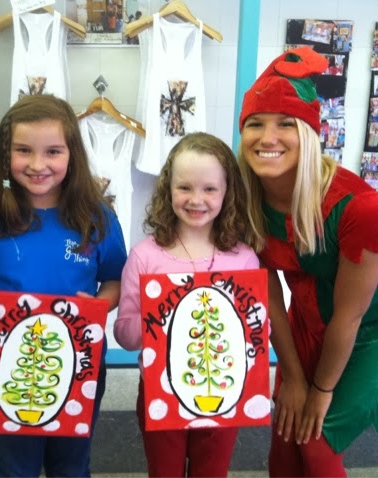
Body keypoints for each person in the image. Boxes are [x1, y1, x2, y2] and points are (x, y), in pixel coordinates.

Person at [237, 46, 378, 477]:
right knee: (286, 441)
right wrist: (293, 378)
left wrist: (319, 390)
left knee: (316, 438)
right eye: (255, 123)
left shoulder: (358, 206)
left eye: (286, 123)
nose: (267, 138)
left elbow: (350, 317)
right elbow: (268, 298)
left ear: (308, 133)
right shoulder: (245, 197)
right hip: (308, 312)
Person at [0, 94, 127, 478]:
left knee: (71, 465)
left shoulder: (97, 217)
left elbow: (115, 279)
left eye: (53, 151)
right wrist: (1, 317)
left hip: (79, 362)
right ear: (6, 155)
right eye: (23, 150)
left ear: (72, 155)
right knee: (15, 467)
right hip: (8, 363)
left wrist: (98, 304)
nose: (38, 164)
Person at [114, 132, 261, 477]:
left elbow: (256, 333)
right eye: (184, 187)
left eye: (209, 189)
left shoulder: (244, 259)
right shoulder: (145, 256)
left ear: (227, 192)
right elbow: (124, 334)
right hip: (160, 390)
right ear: (168, 189)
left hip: (224, 389)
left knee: (212, 470)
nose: (196, 199)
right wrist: (155, 316)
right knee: (164, 470)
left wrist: (257, 326)